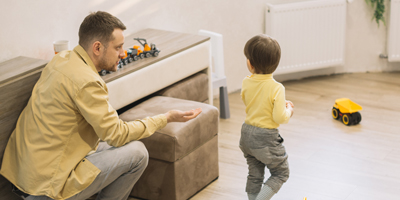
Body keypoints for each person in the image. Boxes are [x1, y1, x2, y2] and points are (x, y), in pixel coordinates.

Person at [0, 11, 201, 200]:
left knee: (113, 144)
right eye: (117, 47)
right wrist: (165, 118)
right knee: (138, 153)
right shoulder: (87, 82)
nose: (123, 53)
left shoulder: (62, 59)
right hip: (46, 188)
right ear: (97, 48)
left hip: (23, 175)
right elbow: (117, 134)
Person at [239, 34, 294, 200]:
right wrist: (289, 109)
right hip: (265, 138)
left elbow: (248, 101)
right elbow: (279, 117)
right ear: (276, 65)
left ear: (250, 63)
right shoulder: (277, 88)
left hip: (246, 134)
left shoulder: (246, 82)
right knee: (281, 173)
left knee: (255, 175)